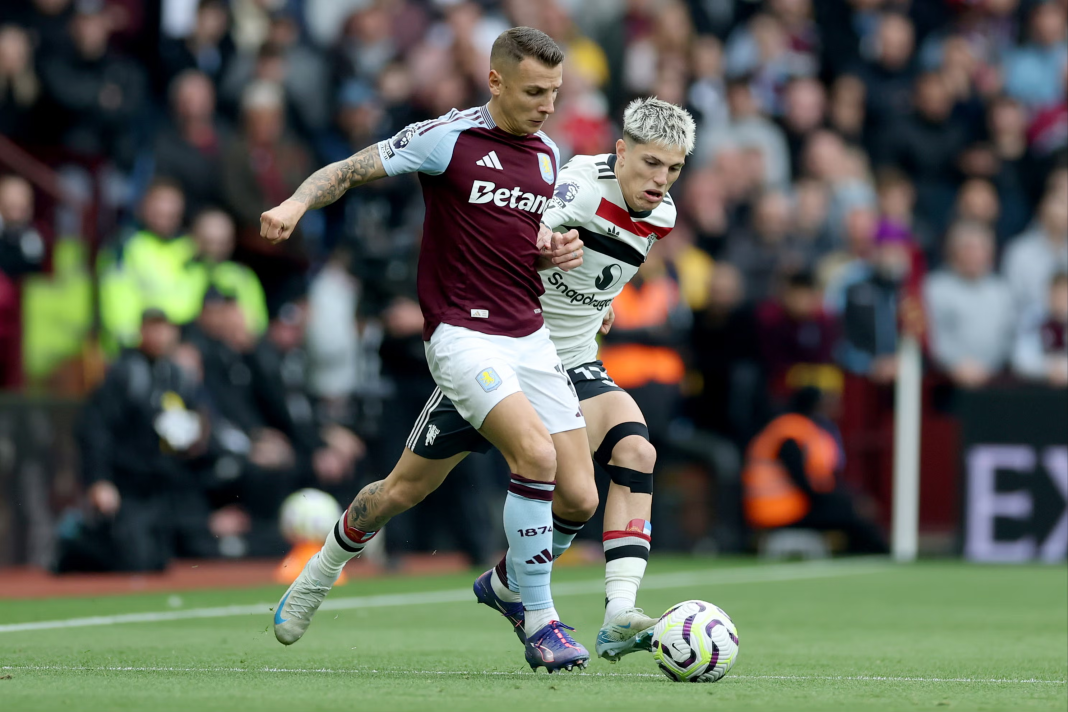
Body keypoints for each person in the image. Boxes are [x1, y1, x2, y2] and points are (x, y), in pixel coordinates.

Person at [262, 27, 592, 672]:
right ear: (495, 81)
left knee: (574, 498)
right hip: (463, 338)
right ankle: (540, 618)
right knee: (535, 453)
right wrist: (296, 201)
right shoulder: (449, 138)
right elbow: (349, 169)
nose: (547, 104)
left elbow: (533, 241)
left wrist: (558, 251)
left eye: (554, 91)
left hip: (528, 338)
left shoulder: (551, 153)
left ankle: (504, 585)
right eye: (533, 91)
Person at [71, 308, 216, 571]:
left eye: (164, 328)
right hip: (129, 485)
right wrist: (99, 479)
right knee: (136, 560)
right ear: (141, 332)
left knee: (180, 554)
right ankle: (73, 552)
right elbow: (95, 428)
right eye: (153, 328)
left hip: (166, 484)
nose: (159, 336)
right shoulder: (125, 374)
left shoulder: (176, 375)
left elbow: (199, 421)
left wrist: (198, 436)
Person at [742, 386, 889, 555]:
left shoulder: (798, 429)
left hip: (787, 508)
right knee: (849, 514)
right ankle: (880, 554)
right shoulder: (789, 433)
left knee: (848, 510)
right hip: (780, 511)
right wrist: (849, 501)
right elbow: (803, 483)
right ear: (814, 405)